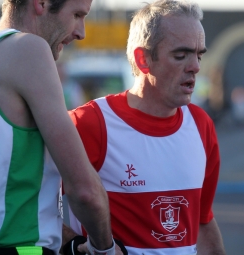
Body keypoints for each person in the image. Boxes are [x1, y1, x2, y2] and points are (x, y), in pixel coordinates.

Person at [65, 0, 226, 254]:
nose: (195, 66)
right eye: (181, 55)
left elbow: (203, 222)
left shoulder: (201, 124)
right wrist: (76, 245)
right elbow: (36, 207)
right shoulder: (89, 123)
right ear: (143, 59)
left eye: (198, 55)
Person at [0, 0, 118, 254]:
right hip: (20, 248)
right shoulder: (28, 48)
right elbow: (84, 191)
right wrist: (104, 248)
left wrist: (69, 240)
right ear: (41, 3)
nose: (81, 32)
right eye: (77, 15)